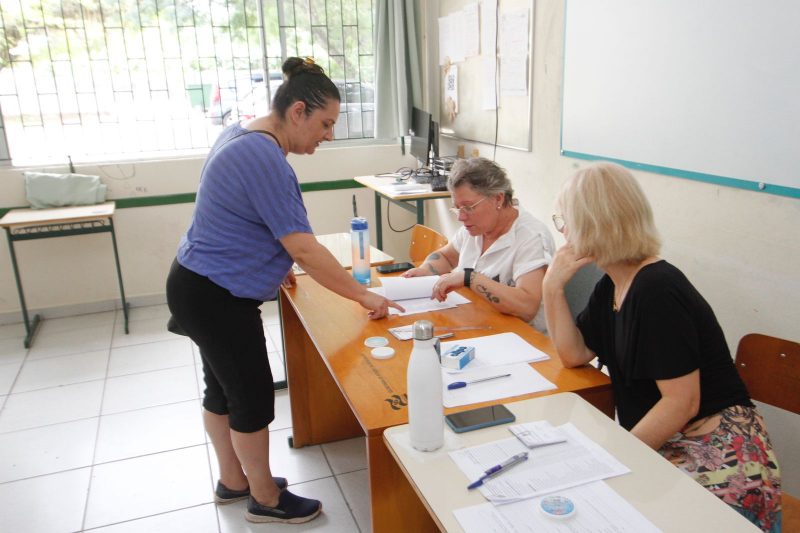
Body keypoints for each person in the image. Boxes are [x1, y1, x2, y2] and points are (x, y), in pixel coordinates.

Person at [166, 57, 402, 525]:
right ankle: (265, 500)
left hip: (194, 282)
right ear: (298, 111)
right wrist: (364, 295)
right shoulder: (265, 159)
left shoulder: (241, 133)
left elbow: (234, 215)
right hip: (218, 296)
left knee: (224, 390)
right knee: (252, 397)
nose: (328, 135)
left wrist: (271, 264)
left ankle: (233, 482)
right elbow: (305, 248)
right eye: (326, 123)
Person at [542, 162, 781, 531]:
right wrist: (551, 287)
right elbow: (574, 354)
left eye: (564, 220)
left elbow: (681, 402)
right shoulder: (612, 284)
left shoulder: (656, 289)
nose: (563, 231)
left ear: (591, 223)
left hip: (719, 448)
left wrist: (613, 457)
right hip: (670, 439)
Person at [403, 157, 555, 333]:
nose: (461, 217)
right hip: (477, 323)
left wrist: (469, 278)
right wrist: (425, 270)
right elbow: (445, 256)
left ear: (498, 199)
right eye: (457, 208)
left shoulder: (531, 237)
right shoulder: (476, 228)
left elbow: (527, 307)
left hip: (522, 339)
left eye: (468, 207)